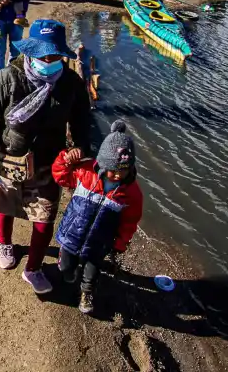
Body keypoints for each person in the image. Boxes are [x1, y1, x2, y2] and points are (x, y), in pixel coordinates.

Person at [0, 19, 93, 293]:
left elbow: (82, 121)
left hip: (50, 162)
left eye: (54, 55)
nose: (48, 59)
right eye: (42, 54)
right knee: (6, 205)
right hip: (10, 158)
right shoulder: (8, 78)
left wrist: (81, 148)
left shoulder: (71, 84)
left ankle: (34, 268)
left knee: (45, 216)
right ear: (30, 51)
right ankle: (5, 244)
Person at [51, 120, 143, 313]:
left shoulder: (132, 193)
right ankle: (69, 273)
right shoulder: (85, 172)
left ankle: (86, 292)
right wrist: (66, 159)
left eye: (123, 170)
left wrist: (120, 243)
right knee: (67, 266)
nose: (118, 175)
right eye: (113, 169)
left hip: (100, 241)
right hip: (72, 233)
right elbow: (60, 176)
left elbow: (130, 221)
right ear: (102, 162)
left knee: (91, 271)